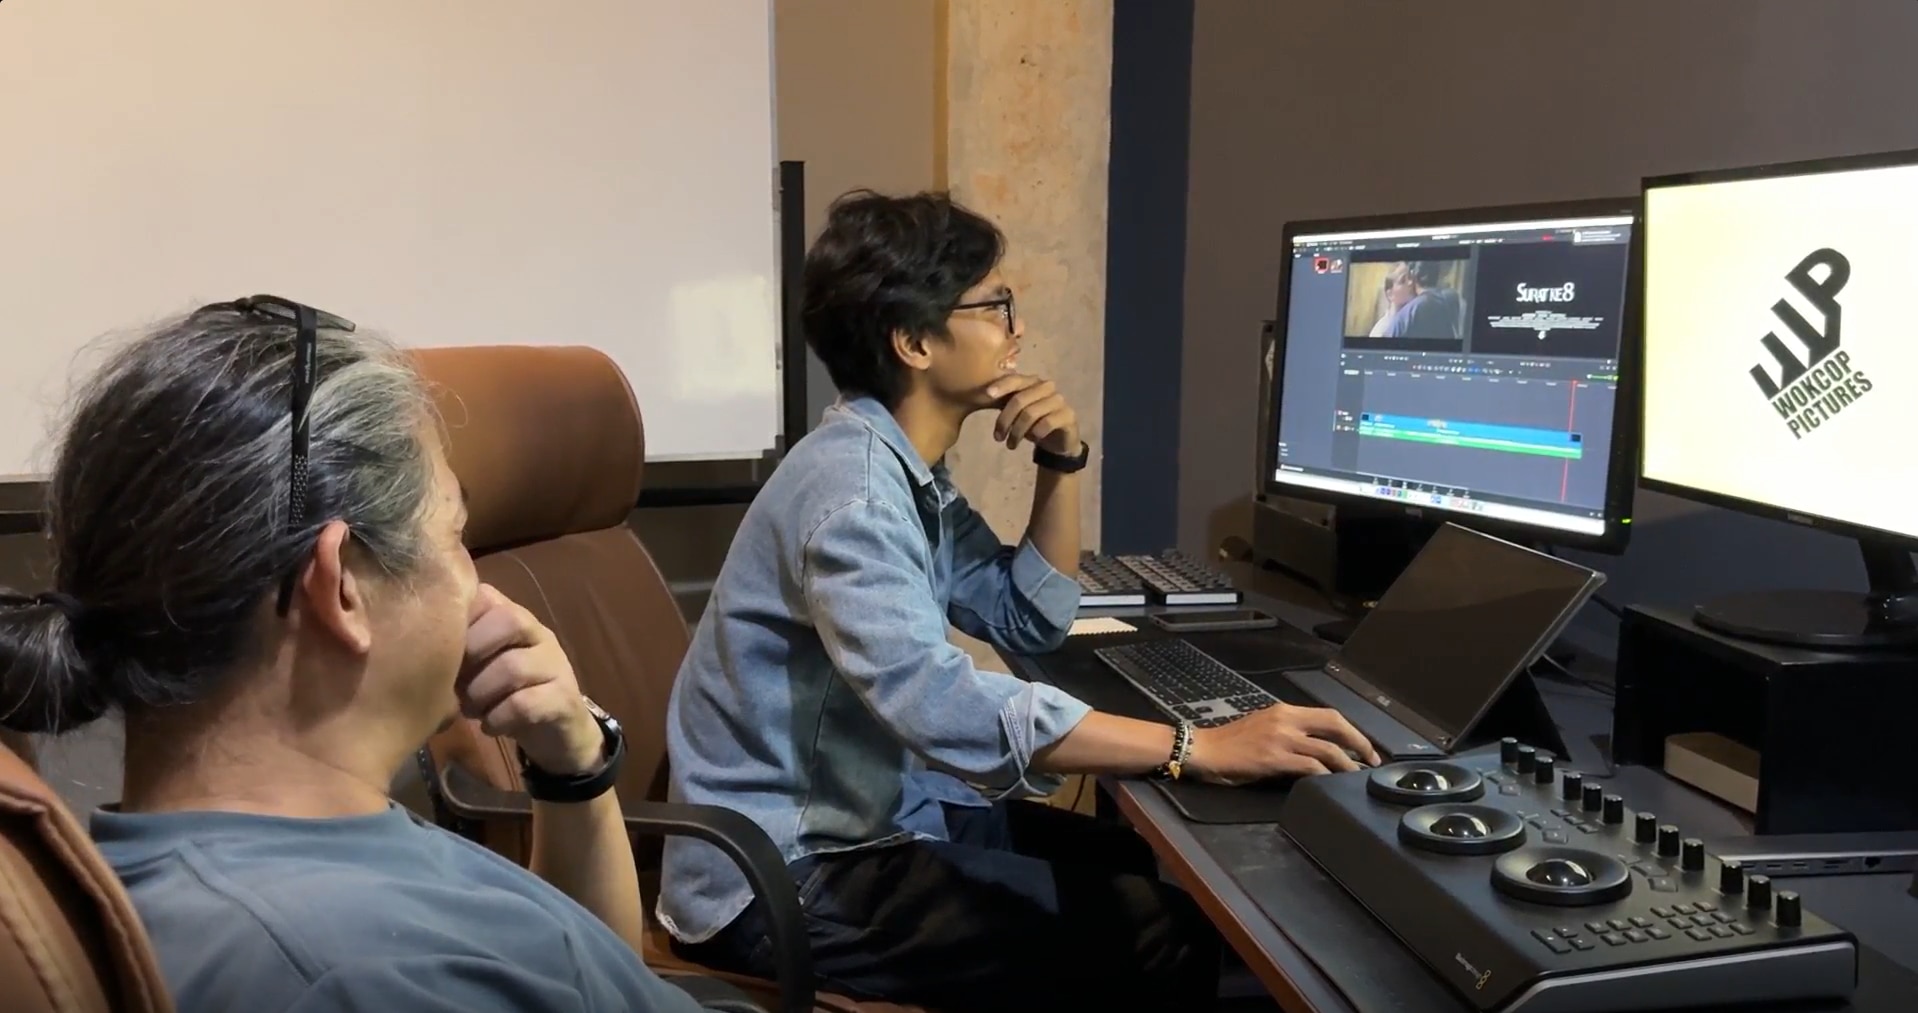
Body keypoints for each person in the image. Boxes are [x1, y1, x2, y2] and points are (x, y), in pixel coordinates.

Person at [660, 190, 1381, 1011]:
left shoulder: (902, 469)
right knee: (1159, 929)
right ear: (914, 340)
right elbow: (936, 701)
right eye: (995, 305)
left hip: (874, 819)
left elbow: (1025, 616)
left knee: (1129, 862)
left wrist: (1062, 463)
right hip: (784, 874)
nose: (1018, 329)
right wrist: (1195, 745)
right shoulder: (855, 494)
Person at [0, 299, 726, 1012]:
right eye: (454, 534)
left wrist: (572, 771)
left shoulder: (280, 860)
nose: (476, 583)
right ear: (343, 583)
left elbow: (590, 974)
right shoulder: (366, 976)